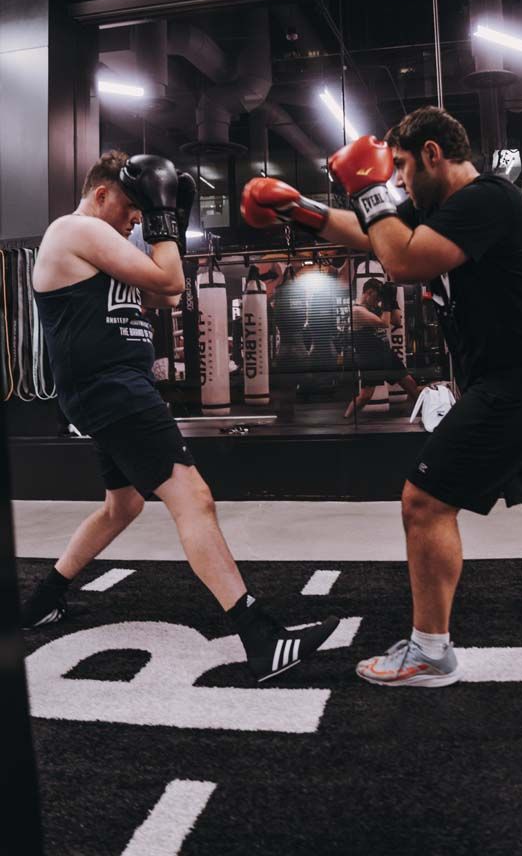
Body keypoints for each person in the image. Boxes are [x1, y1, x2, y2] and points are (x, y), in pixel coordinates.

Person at [240, 107, 522, 689]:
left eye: (405, 166)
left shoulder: (486, 201)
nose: (401, 181)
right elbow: (372, 233)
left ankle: (430, 654)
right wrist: (296, 208)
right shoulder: (438, 207)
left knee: (425, 501)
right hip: (513, 373)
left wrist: (366, 185)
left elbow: (403, 261)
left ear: (434, 154)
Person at [22, 150, 338, 683]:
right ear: (101, 194)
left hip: (114, 389)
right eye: (130, 210)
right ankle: (261, 639)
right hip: (113, 390)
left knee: (121, 506)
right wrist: (167, 222)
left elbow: (164, 296)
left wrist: (171, 222)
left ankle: (41, 601)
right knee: (195, 499)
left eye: (142, 215)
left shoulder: (104, 248)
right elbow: (170, 282)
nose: (135, 221)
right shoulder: (74, 230)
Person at [344, 277, 420, 418]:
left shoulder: (372, 308)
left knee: (410, 384)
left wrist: (392, 301)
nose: (378, 301)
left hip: (385, 353)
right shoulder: (357, 311)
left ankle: (426, 412)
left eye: (380, 299)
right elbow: (384, 323)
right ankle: (346, 419)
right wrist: (385, 304)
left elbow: (396, 321)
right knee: (366, 396)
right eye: (377, 298)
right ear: (368, 292)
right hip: (370, 357)